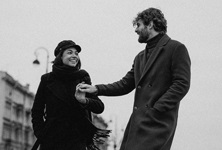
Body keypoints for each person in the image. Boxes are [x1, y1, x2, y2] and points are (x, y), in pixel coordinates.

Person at [78, 8, 191, 150]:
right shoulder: (139, 57)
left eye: (138, 25)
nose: (136, 30)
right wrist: (96, 89)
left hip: (158, 122)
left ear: (150, 24)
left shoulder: (176, 48)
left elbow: (182, 83)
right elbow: (125, 84)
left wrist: (157, 108)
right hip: (138, 123)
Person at [31, 40, 110, 150]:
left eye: (76, 53)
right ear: (60, 56)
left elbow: (99, 107)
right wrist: (41, 134)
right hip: (52, 139)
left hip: (77, 140)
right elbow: (37, 110)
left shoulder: (82, 77)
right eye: (70, 52)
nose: (74, 56)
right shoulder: (47, 80)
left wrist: (84, 101)